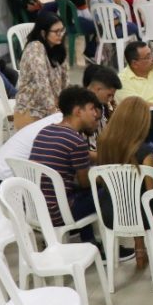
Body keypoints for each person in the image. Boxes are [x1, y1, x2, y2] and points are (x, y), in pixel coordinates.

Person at [29, 86, 102, 243]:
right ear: (78, 111)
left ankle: (90, 242)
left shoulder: (45, 131)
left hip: (35, 207)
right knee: (106, 191)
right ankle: (101, 245)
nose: (95, 114)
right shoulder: (76, 141)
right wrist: (103, 178)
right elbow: (84, 183)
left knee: (79, 194)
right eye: (91, 109)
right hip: (58, 212)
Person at [94, 95, 153, 264]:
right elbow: (151, 194)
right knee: (145, 198)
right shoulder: (145, 151)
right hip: (142, 216)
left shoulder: (103, 144)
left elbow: (100, 179)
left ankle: (140, 250)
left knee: (129, 196)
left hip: (111, 214)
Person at [13, 13, 70, 129]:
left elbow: (66, 81)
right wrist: (56, 115)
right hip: (31, 112)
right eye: (56, 31)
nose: (60, 35)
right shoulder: (35, 48)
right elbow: (42, 84)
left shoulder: (58, 48)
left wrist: (68, 105)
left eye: (62, 30)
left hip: (51, 109)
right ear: (43, 33)